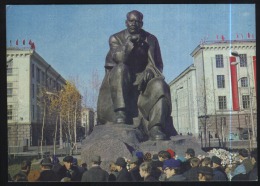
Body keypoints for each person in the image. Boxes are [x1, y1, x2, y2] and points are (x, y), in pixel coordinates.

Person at [97, 10, 176, 140]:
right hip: (121, 78)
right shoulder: (115, 38)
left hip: (144, 78)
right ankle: (121, 112)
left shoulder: (151, 39)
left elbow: (158, 64)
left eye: (137, 21)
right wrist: (129, 43)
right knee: (121, 68)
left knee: (160, 85)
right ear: (126, 22)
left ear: (141, 23)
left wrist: (150, 71)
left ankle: (155, 126)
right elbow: (119, 59)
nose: (134, 23)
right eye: (131, 21)